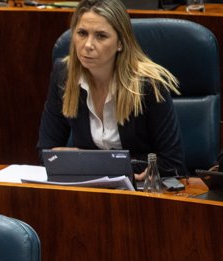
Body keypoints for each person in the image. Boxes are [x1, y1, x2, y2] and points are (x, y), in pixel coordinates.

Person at [37, 0, 187, 179]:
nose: (88, 45)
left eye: (101, 36)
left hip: (142, 192)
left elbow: (172, 163)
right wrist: (115, 164)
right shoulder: (64, 75)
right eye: (82, 33)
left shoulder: (149, 84)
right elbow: (47, 153)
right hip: (89, 188)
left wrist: (84, 160)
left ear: (120, 43)